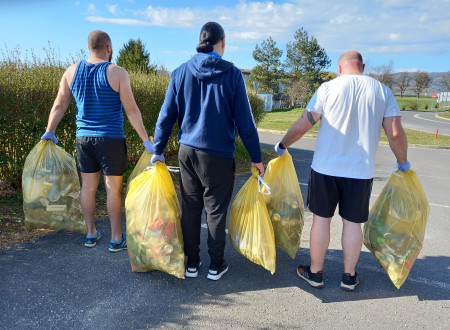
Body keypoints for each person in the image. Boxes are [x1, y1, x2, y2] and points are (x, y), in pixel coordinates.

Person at [275, 51, 409, 291]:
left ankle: (315, 273)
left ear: (339, 67)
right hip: (360, 172)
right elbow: (396, 134)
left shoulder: (328, 88)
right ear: (363, 66)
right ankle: (349, 276)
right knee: (352, 223)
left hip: (325, 169)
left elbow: (304, 124)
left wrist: (282, 145)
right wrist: (403, 161)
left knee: (321, 220)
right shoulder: (382, 91)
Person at [151, 22, 264, 281]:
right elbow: (246, 124)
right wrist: (256, 159)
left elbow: (166, 117)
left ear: (200, 41)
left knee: (191, 207)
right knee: (215, 210)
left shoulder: (180, 72)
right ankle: (216, 265)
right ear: (222, 43)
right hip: (218, 156)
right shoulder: (233, 74)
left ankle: (192, 263)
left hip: (187, 152)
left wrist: (158, 149)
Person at [41, 30, 153, 252]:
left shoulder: (71, 71)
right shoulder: (117, 73)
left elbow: (59, 105)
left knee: (88, 188)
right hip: (110, 139)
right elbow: (131, 111)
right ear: (109, 48)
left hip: (83, 139)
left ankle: (91, 234)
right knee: (112, 189)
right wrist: (146, 141)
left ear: (89, 47)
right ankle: (115, 238)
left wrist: (49, 131)